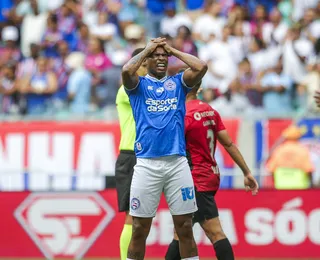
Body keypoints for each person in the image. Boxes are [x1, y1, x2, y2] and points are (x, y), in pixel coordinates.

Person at [122, 37, 208, 260]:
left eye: (163, 56)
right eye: (155, 56)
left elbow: (201, 67)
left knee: (185, 227)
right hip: (147, 165)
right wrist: (148, 49)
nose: (160, 59)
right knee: (139, 229)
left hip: (177, 164)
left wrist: (172, 50)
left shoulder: (179, 83)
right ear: (147, 60)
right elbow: (126, 70)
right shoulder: (138, 86)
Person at [165, 81, 259, 260]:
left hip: (194, 180)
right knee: (181, 233)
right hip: (209, 175)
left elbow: (170, 149)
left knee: (214, 232)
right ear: (198, 88)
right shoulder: (210, 111)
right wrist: (246, 172)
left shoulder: (183, 115)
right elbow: (228, 143)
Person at [115, 48, 147, 260]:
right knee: (132, 216)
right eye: (145, 64)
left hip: (148, 156)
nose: (149, 69)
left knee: (141, 218)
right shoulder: (126, 89)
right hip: (131, 154)